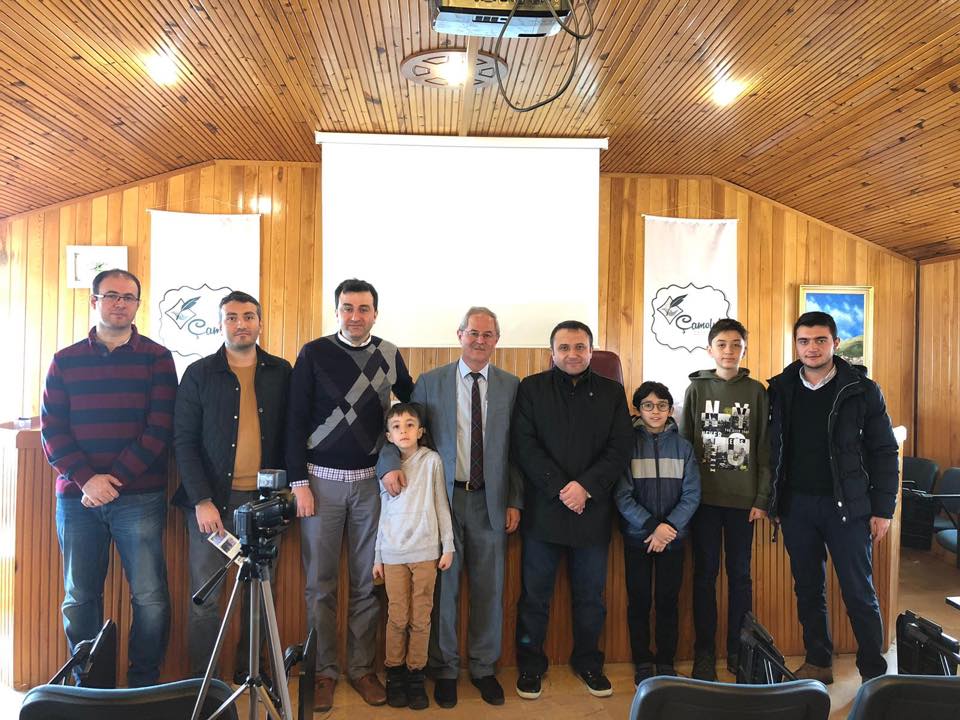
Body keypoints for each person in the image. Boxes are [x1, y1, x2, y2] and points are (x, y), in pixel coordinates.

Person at [377, 307, 522, 708]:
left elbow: (517, 449)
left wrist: (514, 500)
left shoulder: (511, 386)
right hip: (441, 501)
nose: (479, 340)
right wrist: (387, 464)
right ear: (460, 335)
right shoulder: (430, 382)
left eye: (487, 334)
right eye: (473, 333)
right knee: (443, 588)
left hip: (491, 500)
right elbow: (400, 430)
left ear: (497, 340)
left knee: (489, 587)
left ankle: (484, 667)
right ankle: (443, 669)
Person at [40, 268, 175, 686]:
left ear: (137, 305)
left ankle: (143, 685)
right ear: (94, 301)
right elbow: (52, 429)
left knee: (150, 597)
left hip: (140, 498)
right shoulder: (65, 360)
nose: (120, 303)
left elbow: (159, 428)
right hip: (77, 499)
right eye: (111, 295)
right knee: (79, 598)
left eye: (128, 297)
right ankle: (90, 686)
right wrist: (87, 480)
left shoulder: (157, 357)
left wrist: (112, 480)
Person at [286, 278, 414, 712]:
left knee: (367, 582)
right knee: (319, 585)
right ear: (336, 311)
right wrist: (298, 483)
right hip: (319, 484)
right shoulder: (314, 352)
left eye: (363, 308)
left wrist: (393, 460)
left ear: (375, 313)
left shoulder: (390, 354)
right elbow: (294, 419)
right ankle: (323, 672)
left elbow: (409, 413)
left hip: (371, 486)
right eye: (347, 308)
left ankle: (361, 669)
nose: (355, 316)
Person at [768, 311, 898, 684]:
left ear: (835, 343)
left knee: (859, 592)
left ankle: (873, 674)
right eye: (804, 341)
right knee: (808, 589)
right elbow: (772, 448)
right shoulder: (780, 387)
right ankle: (818, 662)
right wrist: (773, 500)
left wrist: (883, 509)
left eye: (820, 340)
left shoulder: (862, 389)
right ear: (796, 345)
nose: (812, 348)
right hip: (796, 507)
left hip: (849, 508)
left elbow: (884, 451)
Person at [172, 290, 291, 679]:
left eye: (249, 316)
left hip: (263, 504)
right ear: (220, 324)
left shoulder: (281, 371)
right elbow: (184, 442)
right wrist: (201, 500)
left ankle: (250, 676)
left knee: (259, 595)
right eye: (232, 317)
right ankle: (204, 685)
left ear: (260, 322)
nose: (241, 324)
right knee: (206, 598)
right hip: (213, 505)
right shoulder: (199, 373)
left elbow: (291, 435)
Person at [511, 320, 633, 700]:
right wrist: (561, 488)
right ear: (552, 353)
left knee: (590, 597)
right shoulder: (531, 388)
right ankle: (531, 665)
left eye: (580, 347)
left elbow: (620, 448)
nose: (572, 354)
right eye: (564, 348)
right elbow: (524, 445)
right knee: (534, 596)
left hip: (591, 510)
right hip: (544, 510)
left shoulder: (612, 392)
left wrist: (585, 487)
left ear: (591, 351)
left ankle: (589, 663)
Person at [679, 318, 770, 681]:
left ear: (744, 350)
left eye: (736, 345)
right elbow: (686, 446)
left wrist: (762, 497)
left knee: (740, 577)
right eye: (721, 344)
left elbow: (764, 447)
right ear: (710, 349)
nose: (729, 351)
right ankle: (704, 653)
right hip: (703, 502)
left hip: (743, 503)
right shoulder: (696, 389)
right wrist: (686, 498)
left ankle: (738, 648)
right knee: (704, 576)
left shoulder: (757, 392)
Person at [614, 381, 700, 685]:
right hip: (638, 537)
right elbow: (622, 495)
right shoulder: (626, 446)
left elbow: (692, 494)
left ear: (670, 409)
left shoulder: (684, 447)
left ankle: (665, 662)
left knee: (667, 602)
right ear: (638, 409)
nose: (655, 411)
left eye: (662, 405)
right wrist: (653, 526)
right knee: (638, 602)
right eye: (648, 405)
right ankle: (642, 662)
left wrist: (668, 529)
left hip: (673, 541)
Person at [374, 403, 455, 710]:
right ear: (388, 435)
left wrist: (448, 545)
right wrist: (377, 556)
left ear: (420, 431)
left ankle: (415, 675)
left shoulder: (432, 461)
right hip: (393, 553)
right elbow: (382, 513)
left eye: (410, 425)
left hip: (426, 552)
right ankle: (394, 674)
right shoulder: (386, 469)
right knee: (397, 617)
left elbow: (441, 503)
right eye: (396, 426)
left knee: (421, 617)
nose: (403, 431)